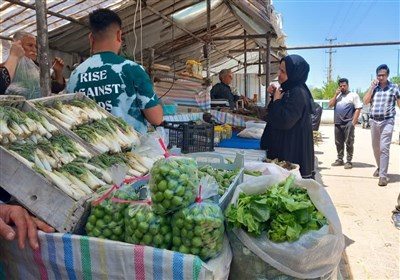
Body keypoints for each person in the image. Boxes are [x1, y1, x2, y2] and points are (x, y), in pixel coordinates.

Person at [67, 8, 163, 135]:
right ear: (119, 35)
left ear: (91, 38)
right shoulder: (132, 69)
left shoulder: (75, 74)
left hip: (89, 149)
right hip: (131, 150)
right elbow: (156, 119)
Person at [260, 54, 315, 179]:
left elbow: (285, 121)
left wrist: (277, 101)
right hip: (287, 146)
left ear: (294, 73)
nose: (278, 73)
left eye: (283, 71)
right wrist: (274, 96)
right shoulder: (289, 89)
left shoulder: (297, 93)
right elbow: (275, 114)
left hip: (292, 150)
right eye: (279, 69)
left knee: (290, 183)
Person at [363, 64, 400, 186]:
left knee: (384, 147)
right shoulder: (374, 88)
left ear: (388, 75)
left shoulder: (394, 87)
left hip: (387, 121)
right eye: (379, 75)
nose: (381, 77)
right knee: (376, 148)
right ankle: (380, 167)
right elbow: (365, 101)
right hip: (374, 121)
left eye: (383, 75)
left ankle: (383, 176)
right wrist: (371, 88)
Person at [0, 32, 66, 95]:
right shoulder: (5, 70)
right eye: (30, 45)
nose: (34, 50)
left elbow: (56, 88)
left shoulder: (39, 69)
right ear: (17, 46)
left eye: (35, 46)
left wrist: (58, 71)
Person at [329, 78, 362, 169]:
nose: (343, 87)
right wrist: (335, 95)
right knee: (338, 142)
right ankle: (340, 159)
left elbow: (358, 108)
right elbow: (330, 105)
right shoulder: (338, 96)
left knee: (349, 142)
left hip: (348, 123)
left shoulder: (353, 95)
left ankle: (349, 161)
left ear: (348, 85)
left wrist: (353, 122)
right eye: (341, 86)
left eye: (344, 86)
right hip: (338, 123)